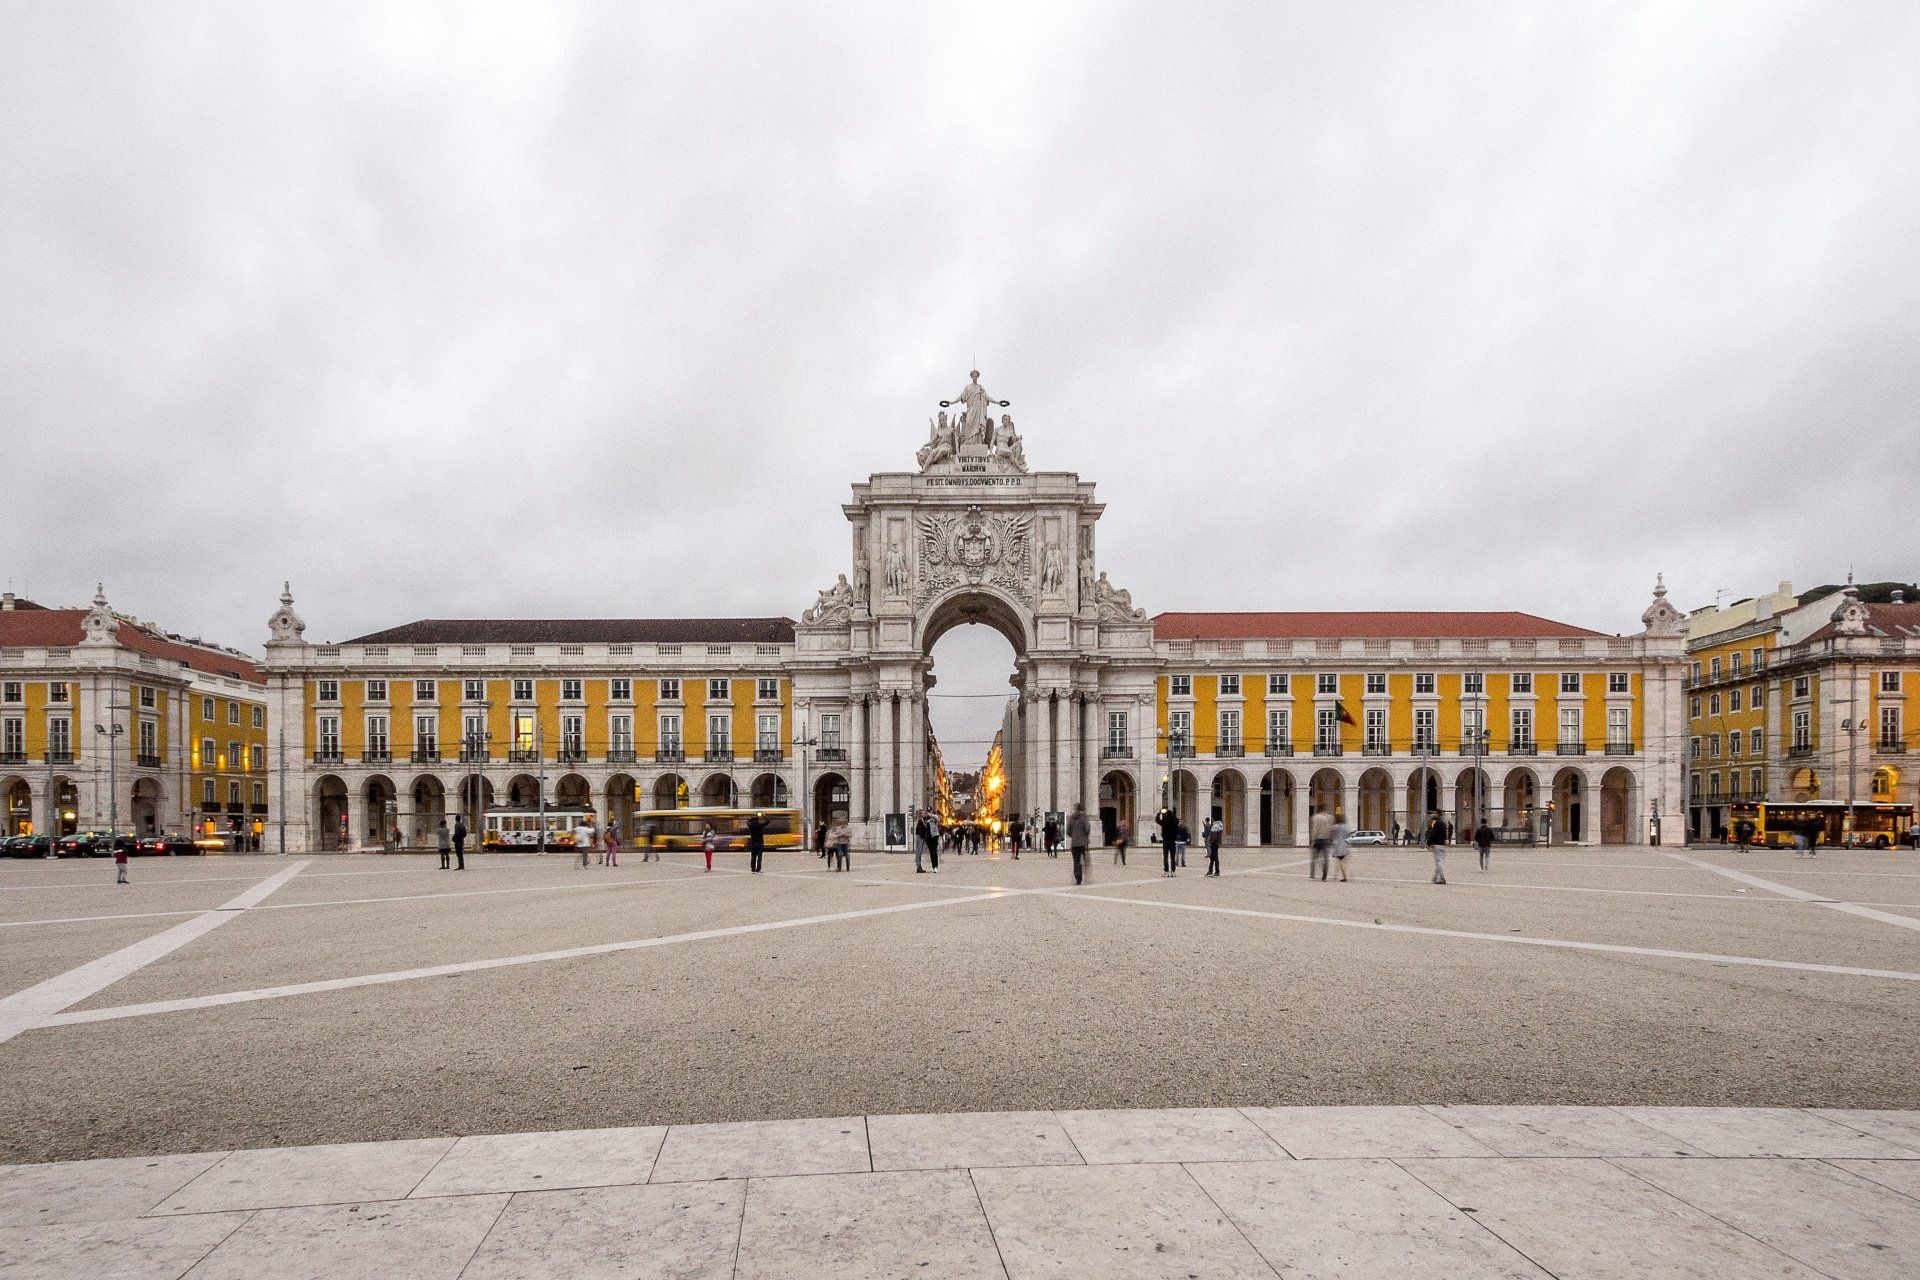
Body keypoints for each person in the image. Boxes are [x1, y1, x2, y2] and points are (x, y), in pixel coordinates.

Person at [1067, 801, 1091, 886]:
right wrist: (1084, 835)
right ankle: (1086, 875)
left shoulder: (1071, 818)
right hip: (1083, 843)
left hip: (1074, 843)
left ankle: (1078, 879)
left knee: (1076, 861)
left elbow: (1068, 831)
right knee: (1086, 860)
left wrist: (1074, 836)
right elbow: (1087, 829)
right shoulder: (1084, 817)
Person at [1309, 806, 1333, 881]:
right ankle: (1324, 877)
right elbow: (1331, 830)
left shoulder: (1315, 817)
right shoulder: (1330, 818)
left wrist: (1312, 840)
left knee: (1313, 859)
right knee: (1326, 860)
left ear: (1318, 810)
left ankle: (1312, 875)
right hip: (1326, 840)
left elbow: (1315, 829)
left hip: (1317, 840)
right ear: (1325, 809)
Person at [1425, 812, 1448, 884]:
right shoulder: (1443, 823)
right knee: (1440, 861)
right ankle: (1435, 878)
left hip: (1436, 844)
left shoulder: (1434, 823)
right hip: (1442, 845)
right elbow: (1445, 834)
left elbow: (1432, 833)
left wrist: (1428, 843)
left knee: (1438, 862)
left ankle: (1442, 878)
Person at [1330, 811, 1351, 882]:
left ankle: (1343, 877)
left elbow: (1332, 835)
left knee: (1340, 861)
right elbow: (1348, 834)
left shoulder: (1335, 827)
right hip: (1344, 845)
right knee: (1340, 861)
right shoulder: (1346, 826)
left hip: (1338, 845)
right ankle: (1336, 876)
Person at [1157, 806, 1179, 877]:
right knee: (1173, 858)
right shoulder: (1175, 821)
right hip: (1173, 841)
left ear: (1166, 814)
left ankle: (1166, 871)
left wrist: (1159, 813)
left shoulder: (1164, 821)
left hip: (1166, 841)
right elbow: (1176, 820)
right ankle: (1173, 871)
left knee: (1165, 857)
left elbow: (1157, 820)